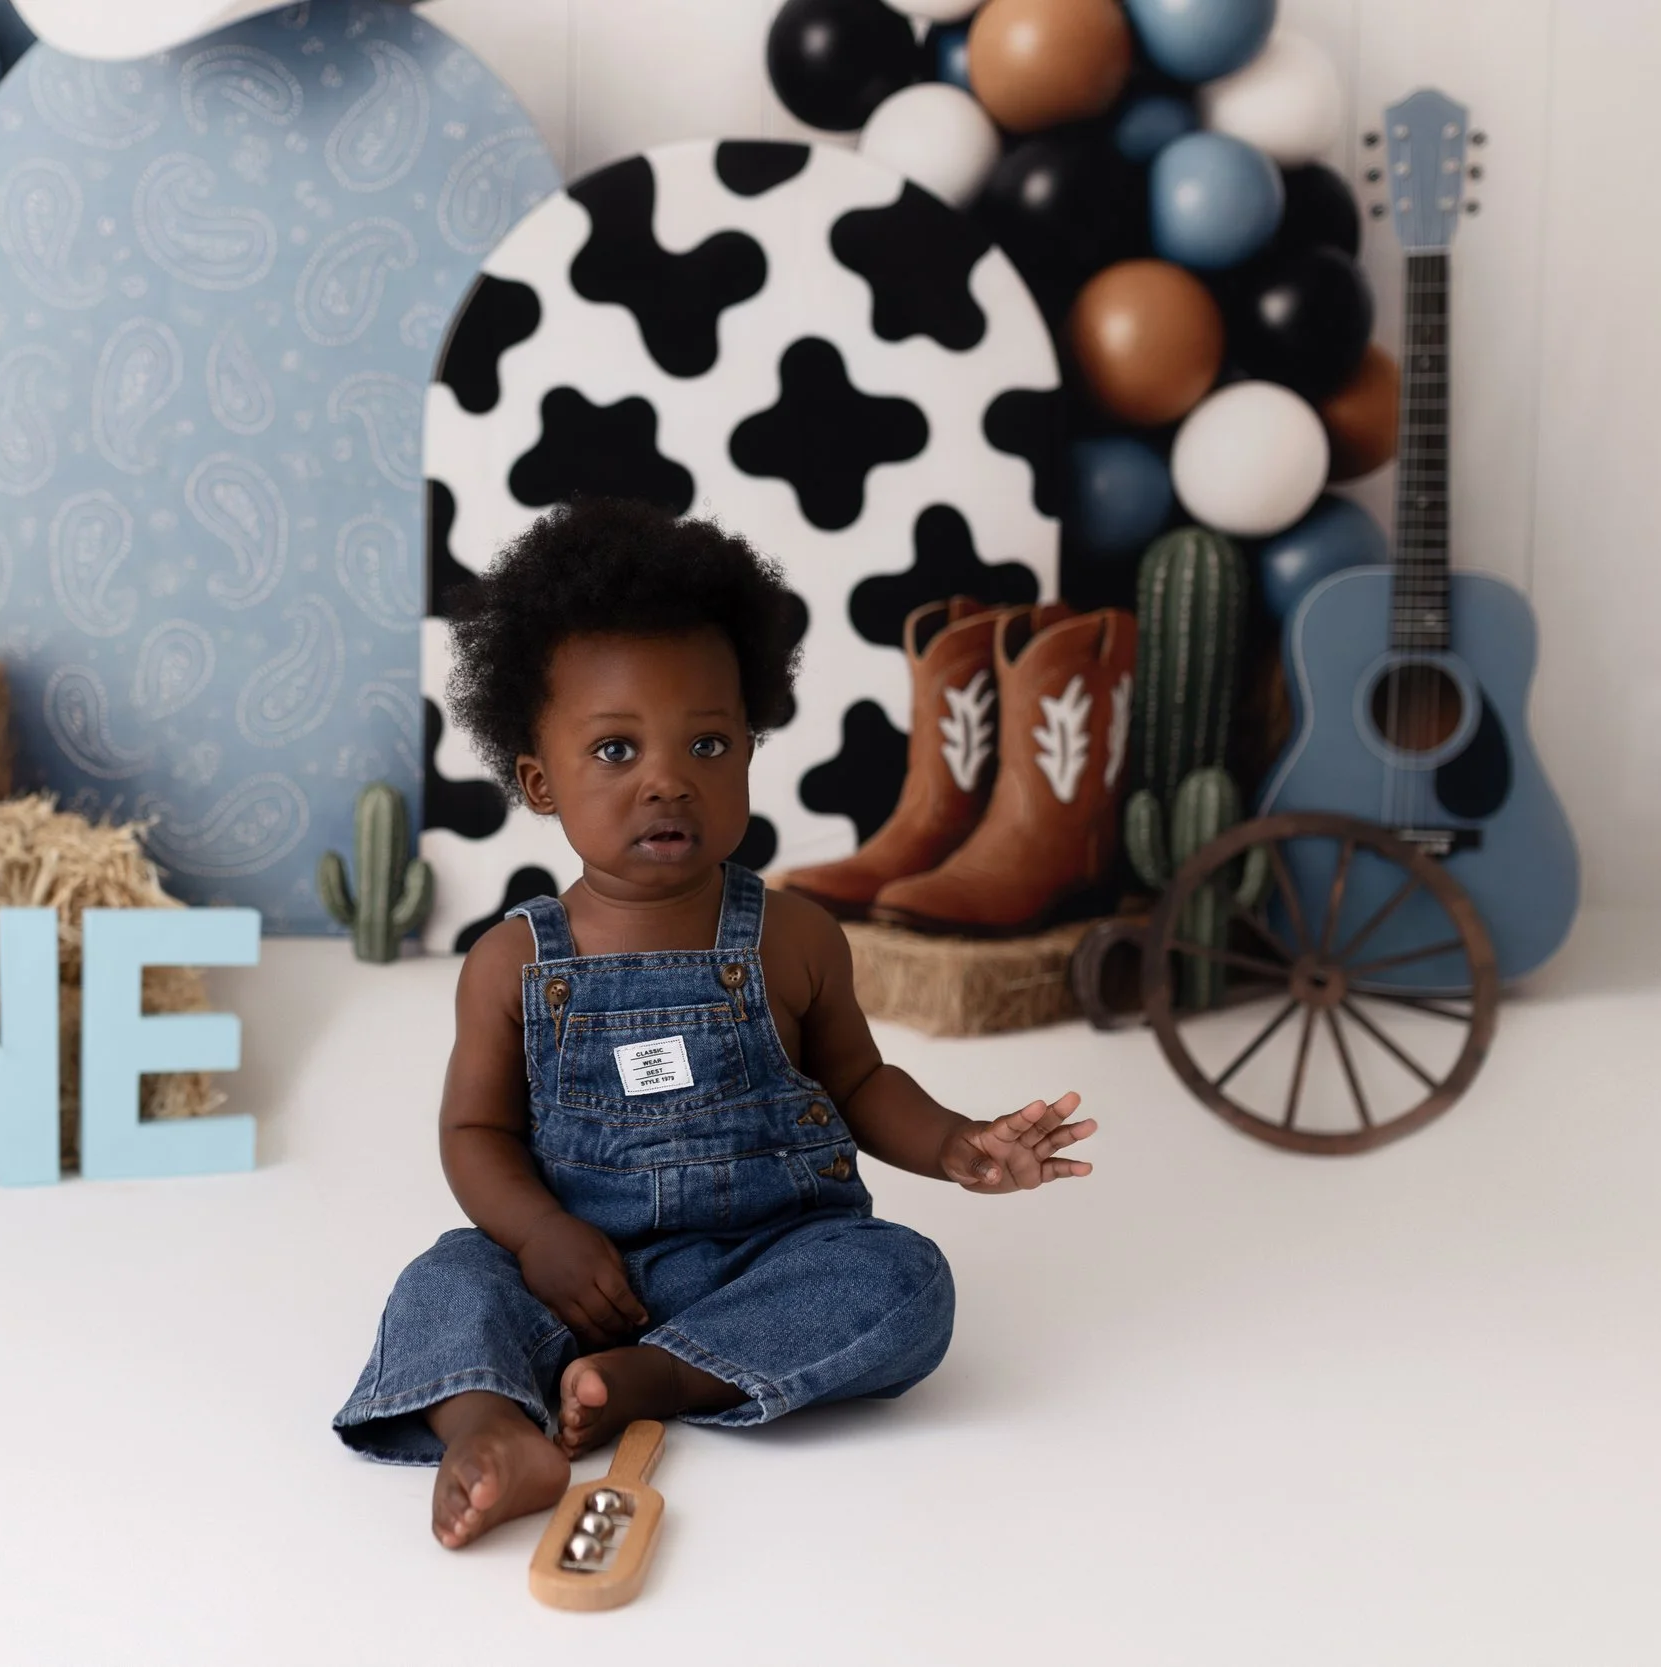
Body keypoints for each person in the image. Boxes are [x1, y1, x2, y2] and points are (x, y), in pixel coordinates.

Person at [332, 498, 1097, 1548]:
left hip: (766, 1258)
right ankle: (486, 1426)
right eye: (613, 749)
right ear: (538, 779)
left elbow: (859, 1082)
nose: (666, 778)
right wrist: (540, 1234)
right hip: (576, 1268)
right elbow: (475, 1136)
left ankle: (663, 1376)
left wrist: (956, 1143)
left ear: (748, 749)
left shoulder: (793, 935)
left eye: (706, 740)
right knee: (446, 1275)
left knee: (906, 1278)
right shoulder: (512, 963)